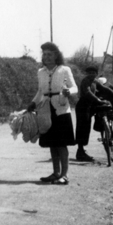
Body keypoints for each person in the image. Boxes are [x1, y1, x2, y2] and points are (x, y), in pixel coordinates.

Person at [27, 42, 78, 185]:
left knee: (61, 144)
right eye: (44, 54)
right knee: (52, 144)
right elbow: (40, 92)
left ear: (56, 55)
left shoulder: (64, 70)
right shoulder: (41, 72)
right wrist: (33, 103)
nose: (47, 57)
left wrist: (69, 91)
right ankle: (56, 173)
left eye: (50, 54)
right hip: (46, 111)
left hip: (61, 110)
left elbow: (75, 87)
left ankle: (65, 175)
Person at [73, 65, 111, 162]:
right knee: (83, 128)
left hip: (90, 105)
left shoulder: (95, 81)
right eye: (89, 73)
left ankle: (106, 136)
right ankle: (80, 152)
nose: (91, 74)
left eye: (93, 73)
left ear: (96, 74)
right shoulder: (86, 81)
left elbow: (104, 89)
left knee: (103, 113)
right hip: (83, 106)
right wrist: (98, 100)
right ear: (86, 74)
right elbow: (88, 92)